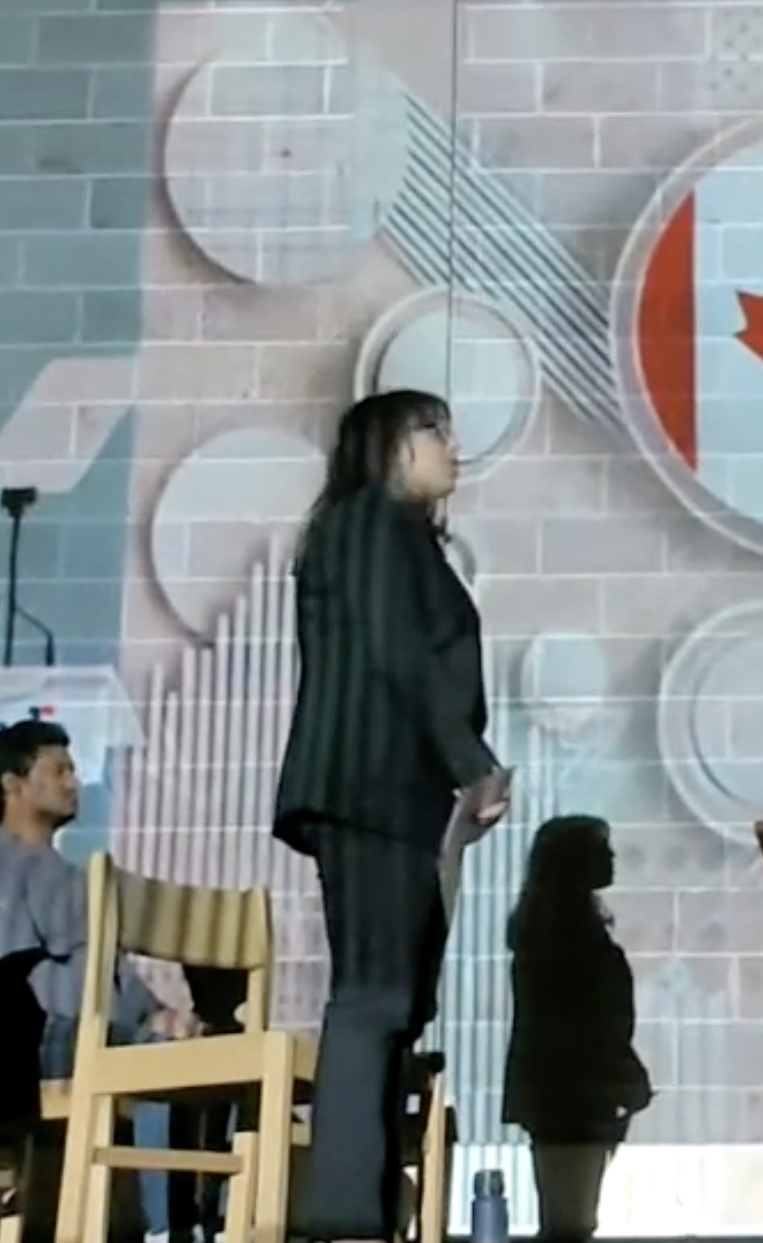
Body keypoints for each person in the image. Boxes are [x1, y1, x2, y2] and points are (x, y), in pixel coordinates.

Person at [273, 389, 509, 1243]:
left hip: (402, 797)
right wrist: (472, 762)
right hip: (368, 785)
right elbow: (396, 651)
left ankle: (367, 1209)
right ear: (387, 445)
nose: (453, 446)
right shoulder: (369, 521)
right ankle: (343, 1217)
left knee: (396, 1005)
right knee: (372, 996)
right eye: (434, 431)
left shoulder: (398, 536)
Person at [0, 719, 206, 1243]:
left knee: (195, 1050)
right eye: (58, 770)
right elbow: (11, 982)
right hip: (23, 1042)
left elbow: (105, 968)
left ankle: (194, 1221)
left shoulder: (63, 873)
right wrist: (135, 1018)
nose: (73, 782)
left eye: (73, 770)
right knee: (155, 1060)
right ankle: (166, 1228)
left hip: (80, 1028)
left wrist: (160, 1012)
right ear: (12, 784)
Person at [503, 815, 652, 1243]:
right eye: (600, 848)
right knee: (570, 1220)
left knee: (569, 1214)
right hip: (573, 1092)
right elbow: (589, 1026)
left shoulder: (554, 932)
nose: (611, 857)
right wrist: (621, 1074)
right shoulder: (567, 940)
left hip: (568, 1092)